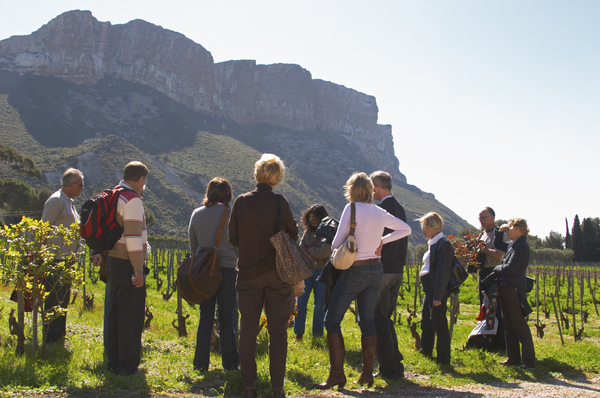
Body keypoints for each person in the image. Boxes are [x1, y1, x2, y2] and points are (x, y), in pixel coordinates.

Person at [314, 172, 411, 390]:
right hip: (376, 269)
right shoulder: (380, 211)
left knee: (331, 321)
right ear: (370, 189)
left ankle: (337, 375)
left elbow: (336, 242)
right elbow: (406, 229)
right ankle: (367, 375)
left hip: (355, 269)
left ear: (352, 190)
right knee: (368, 322)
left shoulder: (352, 209)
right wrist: (382, 241)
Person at [229, 154, 299, 398]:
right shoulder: (281, 202)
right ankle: (277, 388)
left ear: (257, 173)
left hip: (248, 275)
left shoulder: (241, 201)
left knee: (247, 331)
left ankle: (249, 387)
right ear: (277, 177)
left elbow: (233, 238)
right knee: (278, 332)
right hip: (278, 277)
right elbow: (293, 235)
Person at [188, 177, 239, 371]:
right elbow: (239, 245)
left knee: (205, 318)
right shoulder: (233, 215)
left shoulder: (197, 214)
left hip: (204, 272)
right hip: (227, 270)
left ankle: (200, 364)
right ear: (228, 194)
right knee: (227, 318)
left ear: (209, 192)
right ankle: (231, 364)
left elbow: (193, 246)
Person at [105, 161, 149, 375]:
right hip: (127, 263)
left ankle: (113, 361)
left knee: (114, 314)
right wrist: (138, 268)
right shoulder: (132, 200)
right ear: (140, 180)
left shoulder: (114, 195)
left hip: (113, 260)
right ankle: (129, 366)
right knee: (130, 316)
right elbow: (132, 237)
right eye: (144, 182)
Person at [482, 218, 535, 369]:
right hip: (506, 287)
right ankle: (513, 358)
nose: (507, 231)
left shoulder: (522, 246)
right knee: (509, 325)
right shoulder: (514, 244)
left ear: (518, 228)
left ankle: (529, 361)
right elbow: (499, 245)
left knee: (519, 324)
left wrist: (496, 269)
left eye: (510, 228)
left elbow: (510, 268)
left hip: (513, 289)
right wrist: (499, 232)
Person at [370, 170, 408, 379]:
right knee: (386, 318)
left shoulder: (381, 210)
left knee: (379, 319)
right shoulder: (400, 208)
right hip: (398, 271)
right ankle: (395, 361)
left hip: (384, 271)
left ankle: (388, 368)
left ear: (376, 187)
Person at [41, 168, 84, 344]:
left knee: (63, 298)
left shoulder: (69, 202)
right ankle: (50, 337)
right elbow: (43, 229)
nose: (82, 188)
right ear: (71, 185)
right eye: (80, 185)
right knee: (53, 298)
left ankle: (59, 334)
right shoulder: (56, 201)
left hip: (66, 260)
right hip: (55, 259)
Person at [418, 212, 454, 365]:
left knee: (439, 324)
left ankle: (443, 359)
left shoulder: (443, 244)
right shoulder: (434, 243)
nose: (423, 231)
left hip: (436, 289)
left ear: (432, 226)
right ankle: (426, 352)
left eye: (424, 227)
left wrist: (438, 296)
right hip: (429, 287)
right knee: (426, 321)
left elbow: (443, 271)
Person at [295, 204, 332, 341]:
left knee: (319, 306)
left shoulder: (328, 233)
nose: (311, 220)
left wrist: (308, 251)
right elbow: (300, 251)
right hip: (307, 271)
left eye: (314, 217)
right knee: (301, 303)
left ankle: (317, 335)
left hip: (322, 272)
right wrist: (308, 251)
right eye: (310, 217)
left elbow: (325, 252)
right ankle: (299, 334)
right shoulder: (308, 233)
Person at [476, 207, 508, 352]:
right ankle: (487, 339)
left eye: (483, 218)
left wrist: (483, 250)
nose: (481, 221)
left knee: (496, 308)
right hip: (483, 273)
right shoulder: (482, 234)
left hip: (494, 273)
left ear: (492, 218)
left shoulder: (499, 234)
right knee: (484, 307)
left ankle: (499, 343)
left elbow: (501, 255)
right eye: (479, 218)